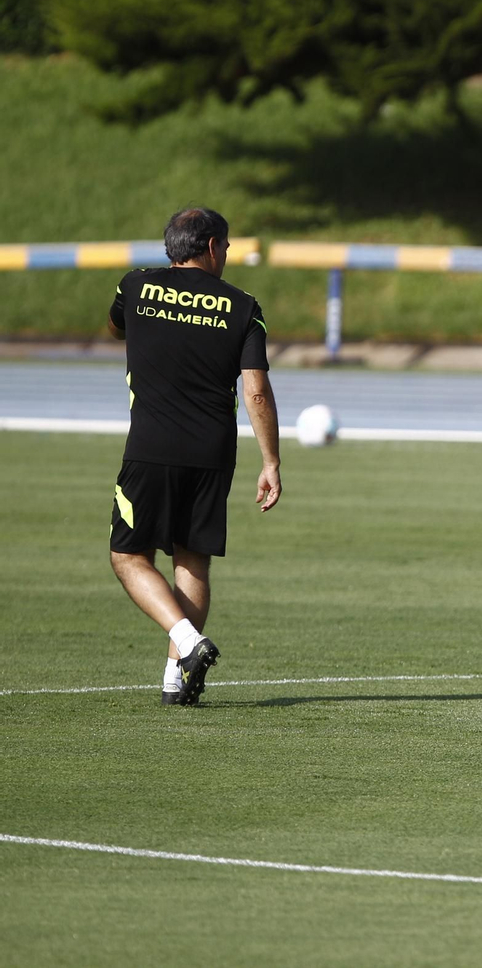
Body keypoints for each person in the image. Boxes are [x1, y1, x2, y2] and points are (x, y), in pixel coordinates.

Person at [106, 207, 282, 705]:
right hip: (212, 452)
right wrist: (270, 462)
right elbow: (258, 394)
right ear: (210, 247)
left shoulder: (135, 286)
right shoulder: (244, 307)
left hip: (151, 447)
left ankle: (188, 642)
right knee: (193, 562)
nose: (226, 255)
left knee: (127, 555)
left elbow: (116, 327)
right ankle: (174, 683)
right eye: (225, 247)